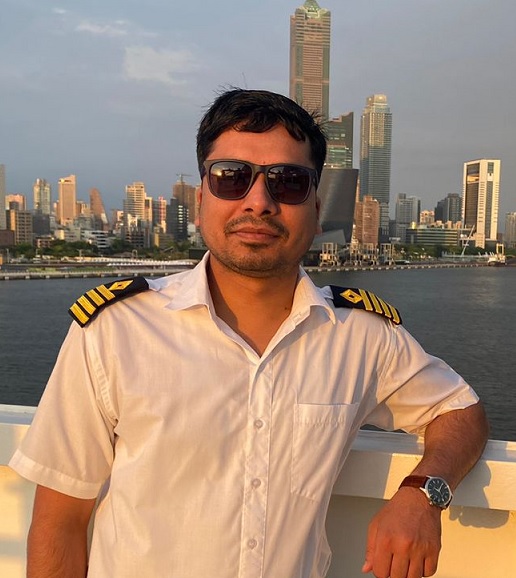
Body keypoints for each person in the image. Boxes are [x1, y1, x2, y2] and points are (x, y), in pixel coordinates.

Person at [10, 88, 489, 578]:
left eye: (288, 182)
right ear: (201, 200)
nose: (259, 202)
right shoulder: (115, 330)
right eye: (231, 178)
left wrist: (422, 494)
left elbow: (460, 410)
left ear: (316, 209)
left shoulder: (359, 335)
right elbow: (59, 523)